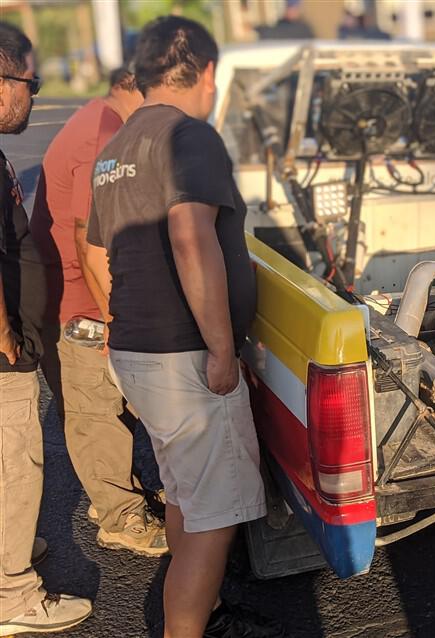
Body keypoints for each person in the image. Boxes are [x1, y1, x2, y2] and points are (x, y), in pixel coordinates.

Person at [84, 16, 267, 637]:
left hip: (138, 351)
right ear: (207, 72)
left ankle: (190, 618)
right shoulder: (190, 136)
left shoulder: (114, 152)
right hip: (185, 358)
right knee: (215, 516)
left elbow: (98, 253)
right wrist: (220, 349)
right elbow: (191, 239)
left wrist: (124, 323)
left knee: (187, 496)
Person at [28, 67, 168, 557]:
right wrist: (117, 322)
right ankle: (119, 518)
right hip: (79, 302)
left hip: (71, 292)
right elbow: (91, 245)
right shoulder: (104, 136)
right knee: (97, 412)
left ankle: (114, 493)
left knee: (105, 409)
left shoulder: (101, 119)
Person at [0, 22, 93, 635]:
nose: (33, 96)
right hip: (3, 350)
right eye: (28, 82)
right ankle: (13, 596)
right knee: (16, 461)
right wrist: (6, 337)